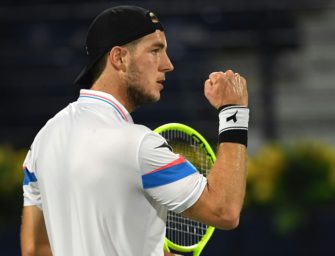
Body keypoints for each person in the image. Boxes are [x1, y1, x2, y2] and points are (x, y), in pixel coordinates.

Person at [21, 5, 249, 256]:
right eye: (155, 51)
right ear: (119, 58)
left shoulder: (44, 140)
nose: (168, 65)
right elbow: (224, 210)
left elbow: (35, 248)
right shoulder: (139, 145)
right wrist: (233, 111)